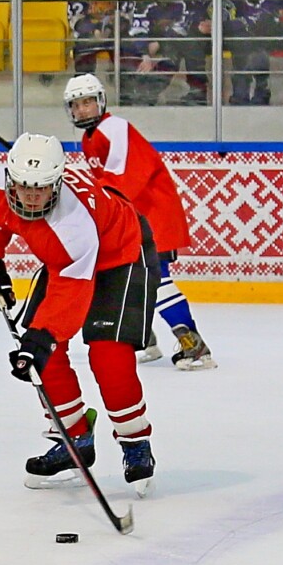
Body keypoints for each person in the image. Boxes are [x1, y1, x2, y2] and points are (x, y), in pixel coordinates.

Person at [0, 132, 159, 497]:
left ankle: (134, 441)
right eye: (23, 188)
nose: (32, 197)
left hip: (122, 254)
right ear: (9, 180)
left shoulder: (72, 221)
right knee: (39, 358)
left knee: (107, 355)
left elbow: (72, 290)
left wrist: (44, 336)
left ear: (58, 183)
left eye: (42, 189)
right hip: (65, 262)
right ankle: (74, 439)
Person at [65, 73, 217, 370]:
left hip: (153, 216)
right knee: (122, 279)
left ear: (101, 102)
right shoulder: (89, 138)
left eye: (88, 102)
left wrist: (89, 203)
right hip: (133, 218)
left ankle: (195, 347)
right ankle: (143, 339)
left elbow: (124, 180)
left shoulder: (114, 127)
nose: (83, 109)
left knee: (157, 281)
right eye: (76, 104)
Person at [121, 0, 209, 106]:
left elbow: (185, 28)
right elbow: (138, 31)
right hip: (151, 43)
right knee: (130, 50)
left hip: (176, 42)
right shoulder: (145, 2)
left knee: (191, 44)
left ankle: (199, 93)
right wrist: (145, 54)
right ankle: (141, 94)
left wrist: (160, 41)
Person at [192, 0, 267, 105]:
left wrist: (223, 26)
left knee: (242, 42)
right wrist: (200, 25)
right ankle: (197, 90)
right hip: (209, 34)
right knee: (191, 42)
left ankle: (240, 94)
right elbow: (195, 12)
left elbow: (251, 19)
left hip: (235, 33)